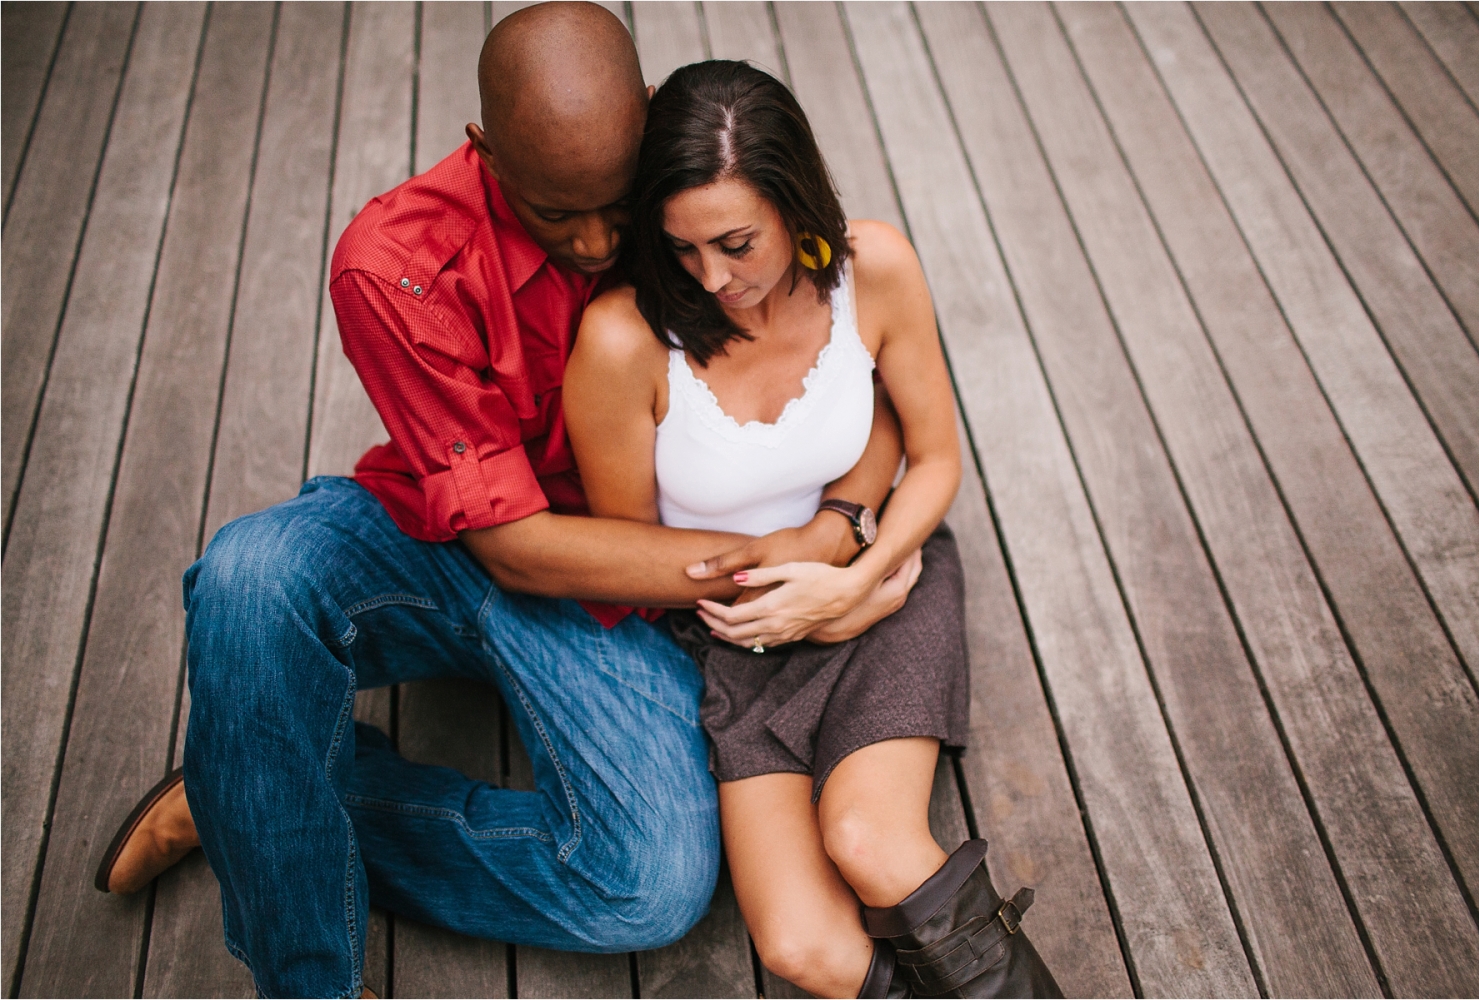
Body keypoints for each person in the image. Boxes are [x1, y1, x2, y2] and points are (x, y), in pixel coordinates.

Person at [90, 6, 914, 997]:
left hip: (623, 588)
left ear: (648, 118)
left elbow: (852, 353)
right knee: (250, 577)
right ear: (484, 149)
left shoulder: (694, 195)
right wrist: (781, 555)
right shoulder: (394, 261)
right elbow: (516, 550)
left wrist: (848, 522)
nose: (599, 240)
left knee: (648, 885)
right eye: (557, 214)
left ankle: (250, 795)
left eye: (615, 205)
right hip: (461, 542)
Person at [564, 61, 1063, 999]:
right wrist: (790, 593)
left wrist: (852, 580)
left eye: (737, 243)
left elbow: (939, 460)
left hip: (886, 585)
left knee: (869, 838)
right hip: (735, 641)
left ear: (795, 204)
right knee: (800, 947)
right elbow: (631, 554)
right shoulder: (622, 343)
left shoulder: (874, 269)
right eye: (682, 249)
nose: (713, 279)